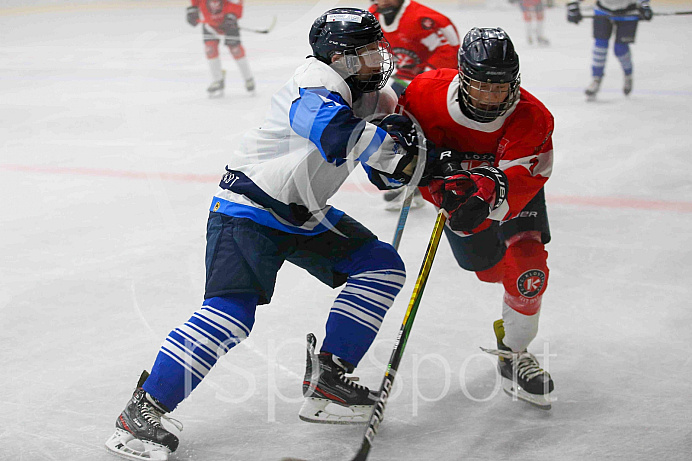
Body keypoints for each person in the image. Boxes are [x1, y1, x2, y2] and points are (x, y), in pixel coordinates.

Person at [105, 7, 431, 460]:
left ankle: (329, 382)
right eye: (368, 54)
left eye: (379, 50)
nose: (380, 60)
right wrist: (395, 151)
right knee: (230, 314)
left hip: (304, 213)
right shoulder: (315, 80)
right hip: (249, 210)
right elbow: (333, 132)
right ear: (341, 59)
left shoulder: (378, 97)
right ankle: (141, 412)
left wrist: (423, 165)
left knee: (380, 268)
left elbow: (387, 176)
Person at [398, 27, 555, 409]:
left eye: (500, 87)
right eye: (481, 85)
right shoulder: (423, 93)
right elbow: (400, 146)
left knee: (527, 268)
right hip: (455, 197)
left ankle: (514, 353)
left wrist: (485, 193)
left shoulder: (533, 117)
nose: (491, 97)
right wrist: (430, 181)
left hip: (508, 192)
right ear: (462, 77)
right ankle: (507, 310)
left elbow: (526, 177)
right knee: (487, 269)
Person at [369, 0, 460, 211]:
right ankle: (407, 177)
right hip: (406, 78)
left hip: (440, 81)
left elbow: (451, 51)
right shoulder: (373, 17)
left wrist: (424, 79)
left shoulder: (427, 20)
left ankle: (435, 178)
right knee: (388, 118)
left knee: (430, 129)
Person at [566, 0, 653, 98]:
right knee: (600, 45)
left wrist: (644, 4)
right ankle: (596, 79)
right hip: (603, 10)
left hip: (628, 10)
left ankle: (628, 74)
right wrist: (573, 4)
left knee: (620, 49)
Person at [186, 0, 255, 97]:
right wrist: (193, 9)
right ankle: (217, 80)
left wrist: (232, 14)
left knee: (236, 50)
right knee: (210, 50)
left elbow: (236, 2)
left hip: (227, 23)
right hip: (209, 24)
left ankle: (248, 78)